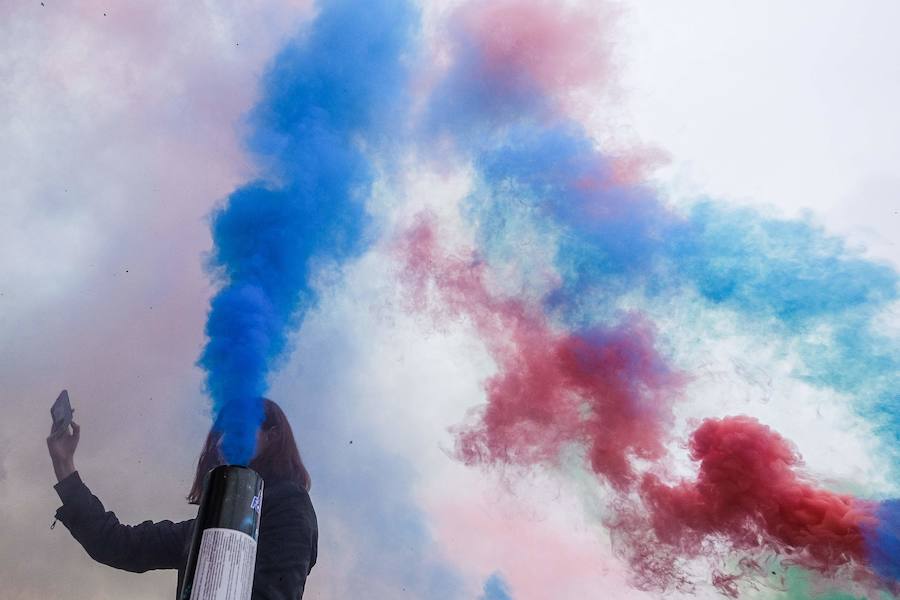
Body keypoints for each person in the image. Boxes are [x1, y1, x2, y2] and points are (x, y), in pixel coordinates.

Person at [47, 398, 318, 599]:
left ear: (272, 437)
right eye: (221, 432)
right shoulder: (198, 533)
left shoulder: (289, 504)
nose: (223, 442)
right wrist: (64, 465)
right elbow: (116, 543)